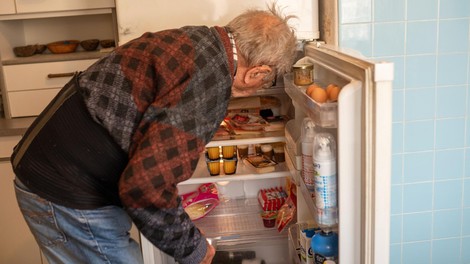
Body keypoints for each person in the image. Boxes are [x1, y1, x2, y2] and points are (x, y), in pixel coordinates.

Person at [11, 3, 297, 264]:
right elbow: (146, 188)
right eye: (267, 79)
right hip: (65, 188)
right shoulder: (208, 86)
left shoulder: (198, 41)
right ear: (257, 72)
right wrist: (195, 250)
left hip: (55, 164)